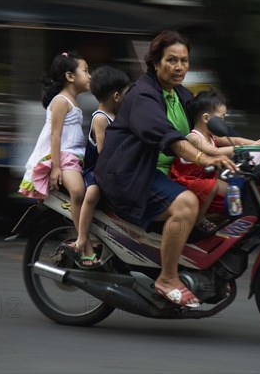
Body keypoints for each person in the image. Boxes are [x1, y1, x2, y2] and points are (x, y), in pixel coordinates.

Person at [94, 30, 236, 308]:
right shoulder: (143, 95)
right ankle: (167, 278)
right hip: (131, 174)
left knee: (228, 196)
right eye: (171, 60)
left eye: (184, 60)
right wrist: (203, 159)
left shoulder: (180, 95)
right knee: (187, 204)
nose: (179, 67)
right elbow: (169, 138)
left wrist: (251, 145)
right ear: (156, 63)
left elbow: (205, 128)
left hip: (162, 173)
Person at [168, 89, 260, 232]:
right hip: (185, 181)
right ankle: (198, 220)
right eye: (220, 119)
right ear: (206, 118)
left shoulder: (211, 135)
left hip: (203, 180)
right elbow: (213, 151)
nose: (223, 123)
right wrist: (243, 149)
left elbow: (234, 140)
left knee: (235, 194)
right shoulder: (194, 137)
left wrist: (259, 144)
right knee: (212, 186)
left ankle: (222, 222)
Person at [18, 51, 91, 237]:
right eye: (86, 71)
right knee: (78, 191)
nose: (90, 76)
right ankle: (82, 239)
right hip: (64, 157)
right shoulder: (61, 101)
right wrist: (56, 167)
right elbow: (55, 135)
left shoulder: (73, 101)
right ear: (70, 76)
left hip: (74, 156)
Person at [63, 66, 130, 267]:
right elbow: (104, 152)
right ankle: (82, 238)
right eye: (127, 93)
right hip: (98, 170)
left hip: (114, 168)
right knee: (92, 193)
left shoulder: (118, 115)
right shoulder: (101, 118)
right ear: (117, 96)